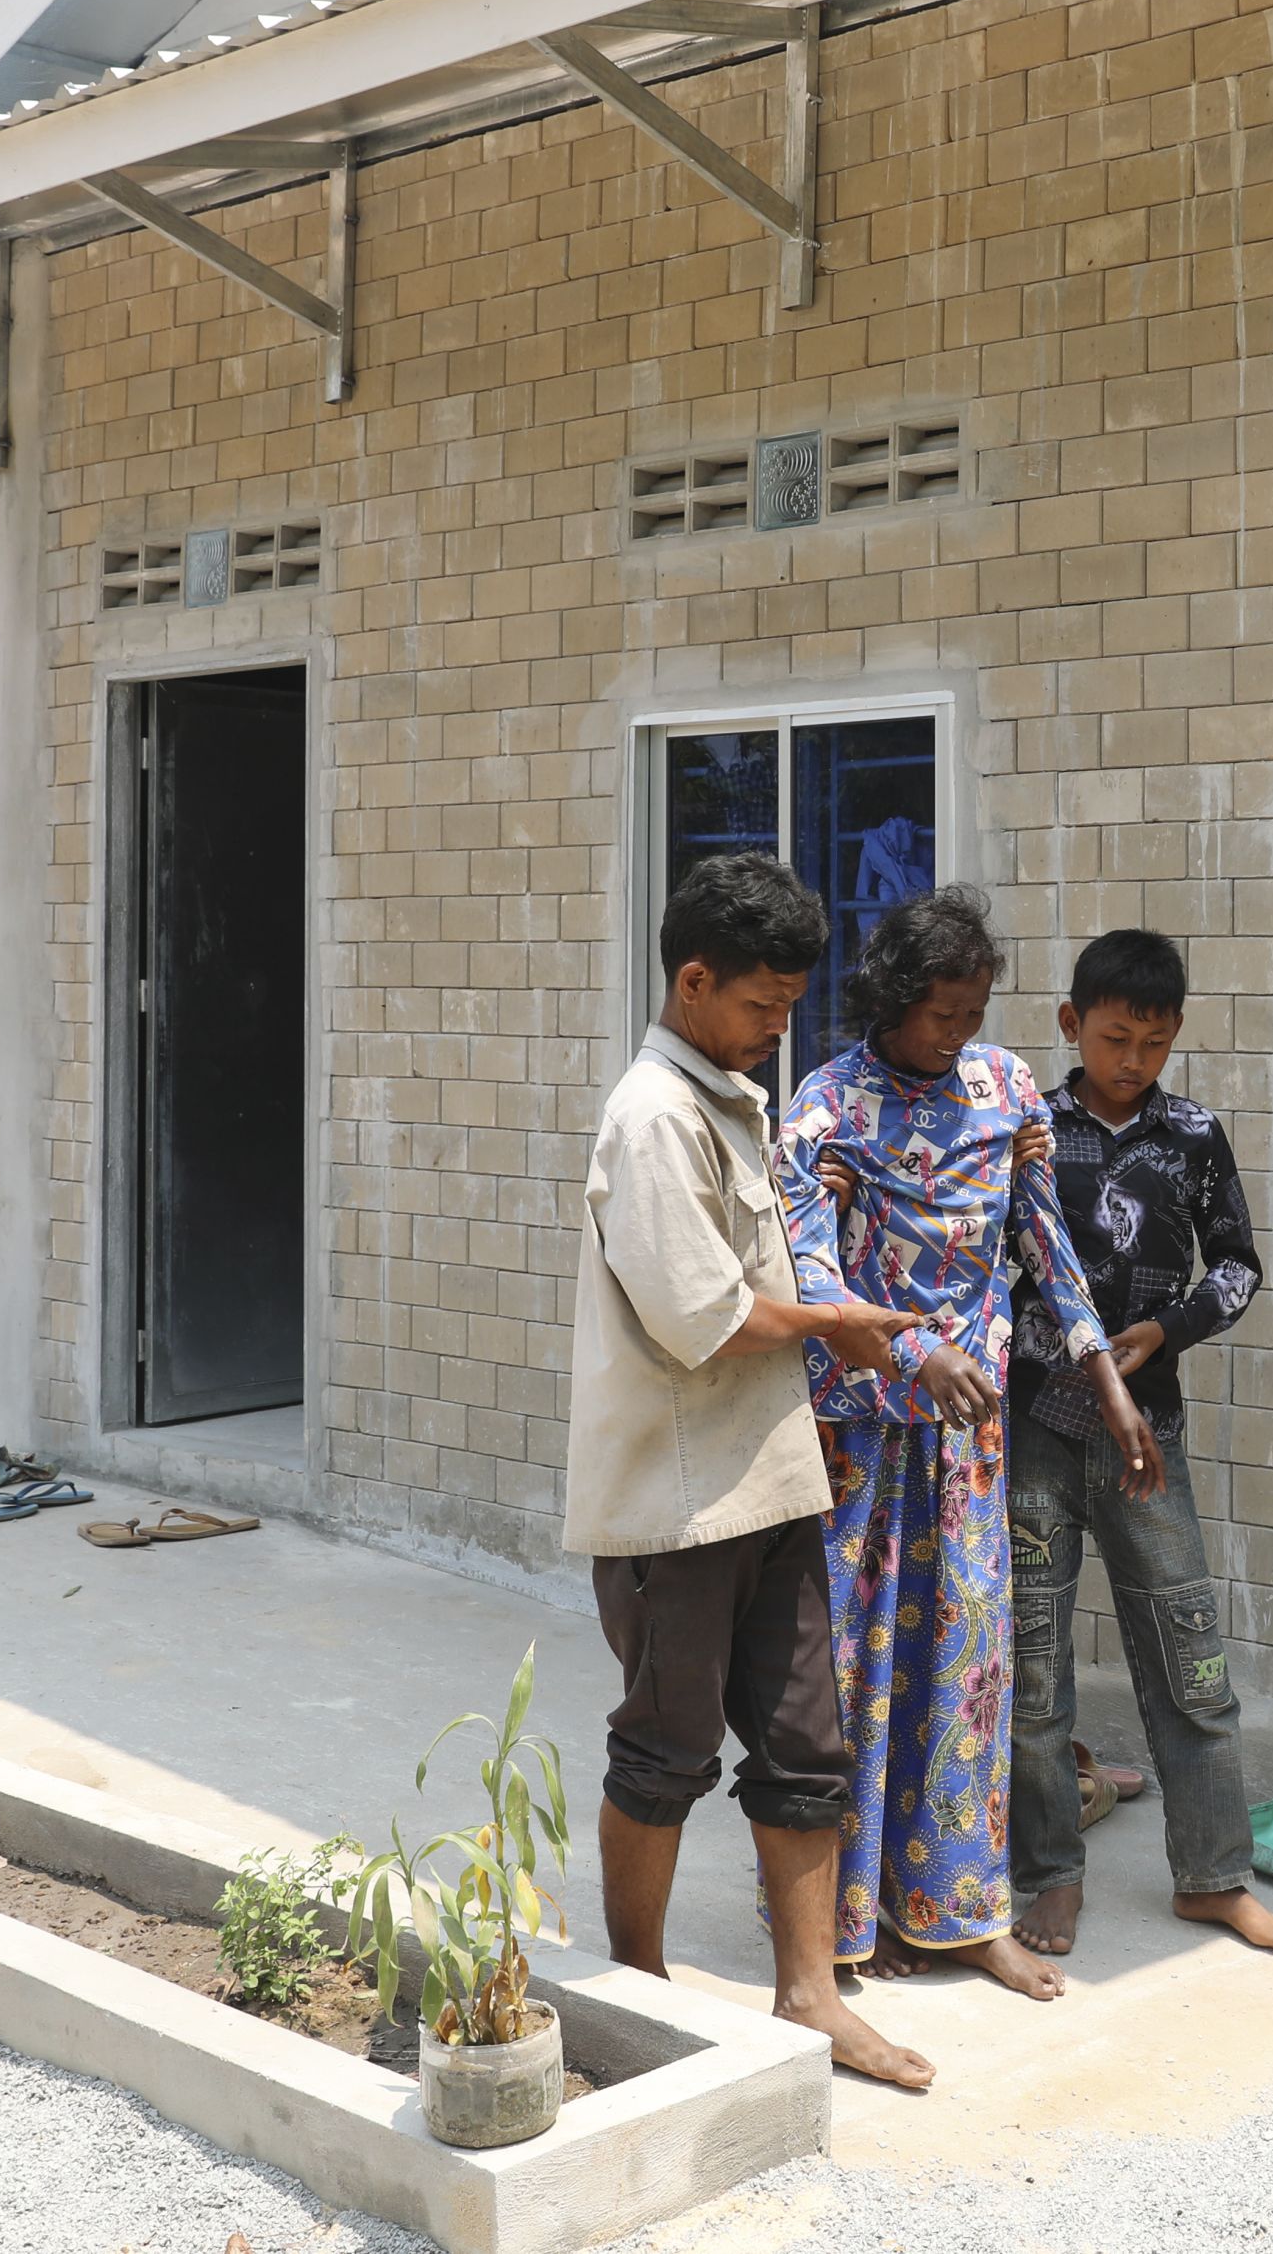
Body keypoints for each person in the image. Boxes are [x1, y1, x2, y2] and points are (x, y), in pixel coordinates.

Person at [567, 851, 937, 2093]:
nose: (779, 1029)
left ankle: (811, 1996)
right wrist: (840, 1324)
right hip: (679, 1502)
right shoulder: (654, 1115)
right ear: (691, 979)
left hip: (772, 1478)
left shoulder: (725, 1096)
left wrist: (828, 1322)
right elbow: (708, 1320)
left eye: (789, 1008)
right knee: (666, 1752)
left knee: (803, 1748)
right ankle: (637, 1993)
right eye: (763, 1005)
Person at [776, 884, 1151, 2000]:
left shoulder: (1005, 1089)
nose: (959, 1034)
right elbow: (804, 1272)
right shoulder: (826, 1105)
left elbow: (1043, 1240)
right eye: (942, 1013)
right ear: (894, 1002)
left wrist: (1106, 1380)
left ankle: (960, 1909)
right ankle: (847, 1924)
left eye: (975, 1010)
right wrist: (901, 1354)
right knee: (855, 1671)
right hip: (861, 1438)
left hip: (967, 1437)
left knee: (970, 1670)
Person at [1003, 928, 1273, 1960]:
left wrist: (1168, 1327)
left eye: (1154, 1041)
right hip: (1034, 1434)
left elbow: (1238, 1265)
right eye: (1114, 1036)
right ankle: (1048, 1876)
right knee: (1033, 1673)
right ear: (1069, 1024)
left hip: (1149, 1440)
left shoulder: (1191, 1136)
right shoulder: (1025, 1131)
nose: (1132, 1059)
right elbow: (1003, 1272)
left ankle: (1213, 1877)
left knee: (1191, 1663)